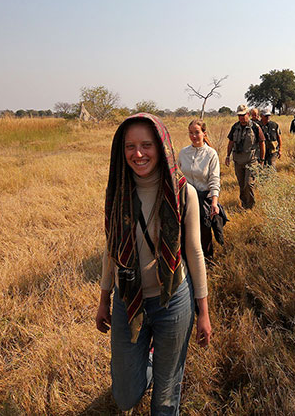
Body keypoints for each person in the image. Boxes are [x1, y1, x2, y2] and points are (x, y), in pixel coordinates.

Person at [96, 113, 211, 415]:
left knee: (166, 394)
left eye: (146, 145)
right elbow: (111, 249)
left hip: (172, 300)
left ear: (161, 147)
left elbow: (195, 253)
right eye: (130, 146)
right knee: (125, 395)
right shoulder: (116, 194)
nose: (138, 154)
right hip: (127, 298)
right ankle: (147, 362)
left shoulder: (184, 193)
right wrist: (103, 300)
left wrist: (204, 313)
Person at [177, 119, 228, 260]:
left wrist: (214, 202)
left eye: (197, 133)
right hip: (185, 198)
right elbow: (177, 176)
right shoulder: (183, 153)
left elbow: (214, 179)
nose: (194, 136)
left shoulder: (211, 154)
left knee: (204, 232)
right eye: (191, 133)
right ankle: (187, 261)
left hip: (203, 198)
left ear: (204, 133)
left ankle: (207, 261)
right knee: (186, 231)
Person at [225, 104, 265, 209]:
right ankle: (244, 204)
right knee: (242, 185)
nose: (241, 117)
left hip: (251, 160)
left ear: (248, 114)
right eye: (239, 115)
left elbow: (262, 143)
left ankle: (250, 206)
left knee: (249, 184)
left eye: (243, 115)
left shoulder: (255, 127)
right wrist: (227, 156)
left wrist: (262, 159)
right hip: (238, 161)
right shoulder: (235, 127)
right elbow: (231, 142)